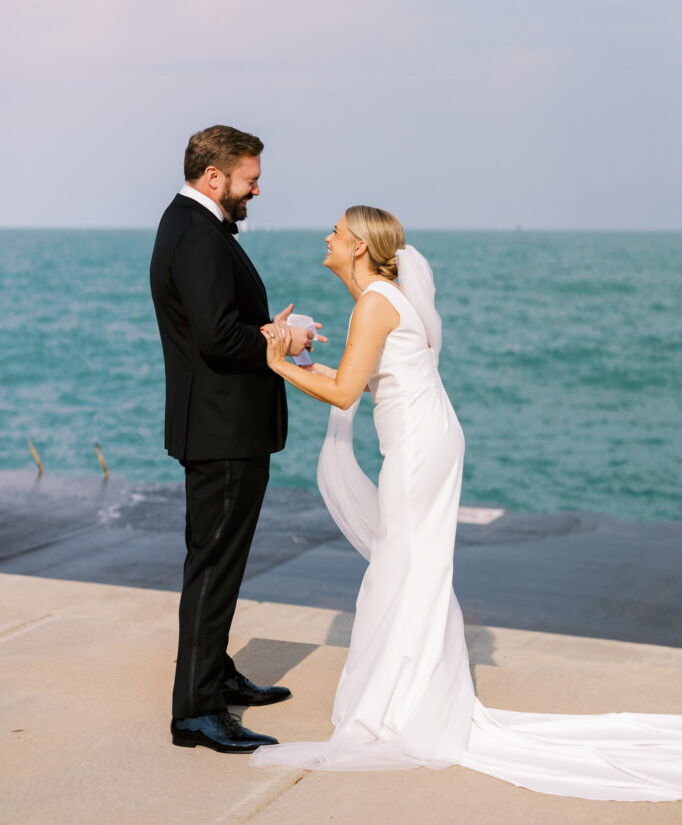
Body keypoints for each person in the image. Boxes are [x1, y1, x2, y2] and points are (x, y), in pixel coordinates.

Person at [250, 205, 682, 801]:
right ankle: (411, 691)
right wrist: (300, 357)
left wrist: (275, 364)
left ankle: (408, 705)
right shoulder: (382, 299)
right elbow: (363, 379)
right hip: (428, 440)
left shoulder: (375, 303)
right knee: (411, 565)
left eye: (337, 231)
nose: (327, 236)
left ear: (357, 248)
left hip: (420, 450)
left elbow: (345, 390)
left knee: (403, 565)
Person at [149, 125, 325, 754]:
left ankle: (214, 675)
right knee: (213, 565)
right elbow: (219, 339)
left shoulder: (191, 227)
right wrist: (283, 341)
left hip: (223, 427)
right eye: (249, 178)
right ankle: (195, 712)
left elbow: (218, 326)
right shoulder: (197, 235)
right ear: (215, 177)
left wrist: (261, 328)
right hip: (221, 432)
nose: (257, 188)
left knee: (219, 562)